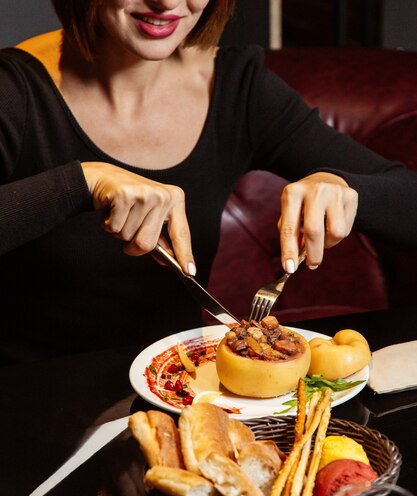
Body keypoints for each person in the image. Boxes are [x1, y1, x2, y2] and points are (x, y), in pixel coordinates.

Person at [0, 0, 416, 365]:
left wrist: (346, 186)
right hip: (28, 404)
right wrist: (80, 183)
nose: (166, 2)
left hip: (181, 396)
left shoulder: (237, 88)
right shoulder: (13, 88)